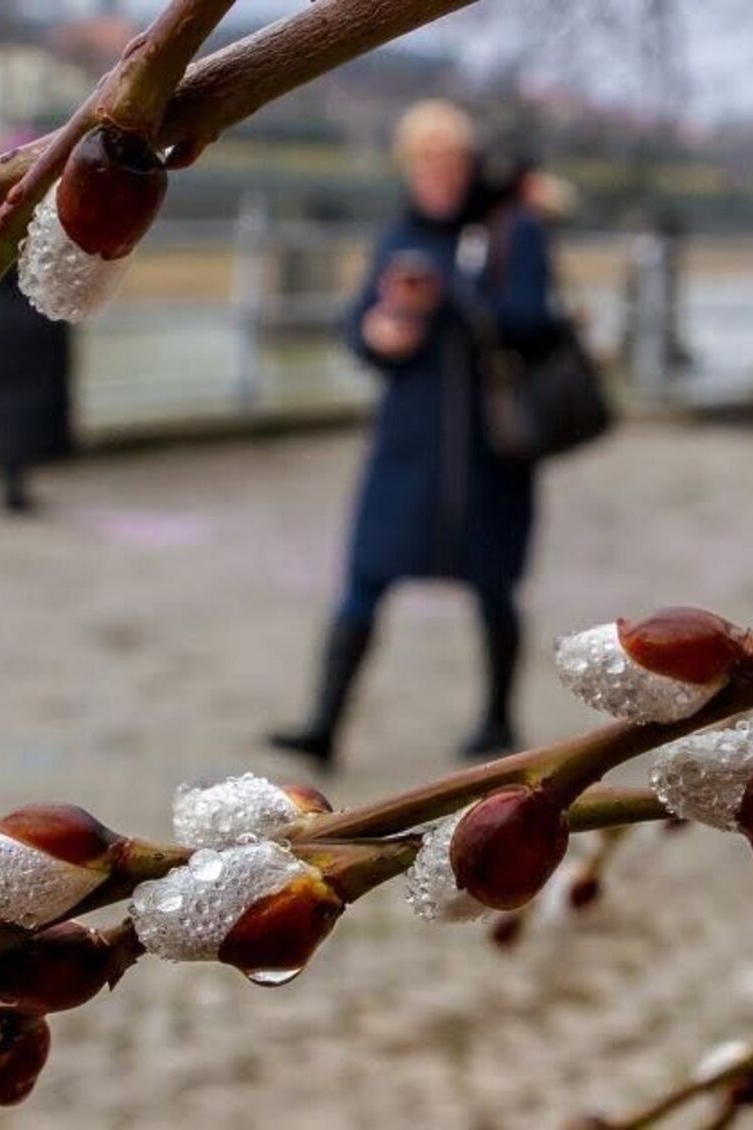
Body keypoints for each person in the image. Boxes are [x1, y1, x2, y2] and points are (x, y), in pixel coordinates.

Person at [269, 101, 558, 769]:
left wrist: (449, 296)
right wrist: (379, 333)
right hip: (407, 444)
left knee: (495, 587)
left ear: (469, 163)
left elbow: (534, 324)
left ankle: (496, 719)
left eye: (449, 158)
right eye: (424, 160)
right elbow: (358, 328)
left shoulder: (513, 230)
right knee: (364, 580)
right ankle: (324, 724)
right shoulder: (398, 235)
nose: (437, 173)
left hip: (492, 448)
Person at [0, 276, 74, 514]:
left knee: (5, 404)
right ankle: (16, 479)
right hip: (36, 318)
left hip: (1, 324)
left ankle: (12, 478)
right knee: (24, 402)